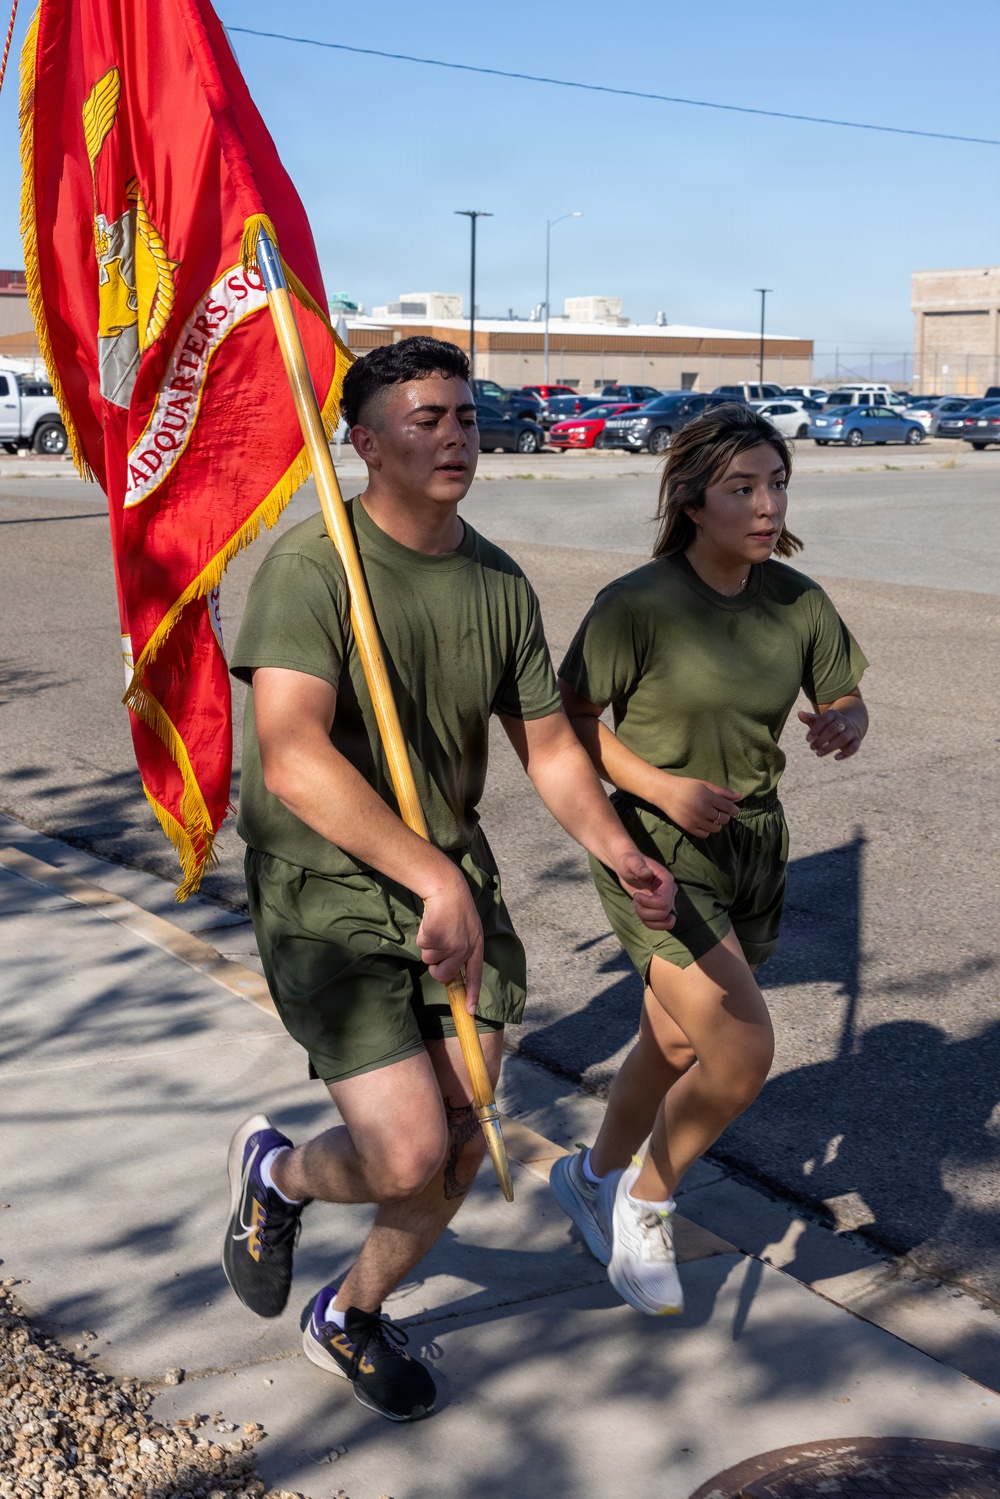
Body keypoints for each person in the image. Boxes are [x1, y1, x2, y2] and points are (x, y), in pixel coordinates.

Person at [221, 336, 677, 1421]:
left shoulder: (496, 578)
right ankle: (277, 1175)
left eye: (465, 416)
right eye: (424, 418)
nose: (455, 435)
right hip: (328, 889)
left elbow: (550, 747)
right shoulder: (312, 566)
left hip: (446, 879)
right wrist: (432, 875)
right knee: (405, 1151)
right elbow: (291, 754)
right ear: (365, 443)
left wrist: (619, 847)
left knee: (466, 1137)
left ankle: (350, 1312)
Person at [552, 403, 869, 1316]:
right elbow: (570, 722)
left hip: (755, 843)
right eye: (742, 488)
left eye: (777, 484)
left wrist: (845, 718)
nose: (767, 505)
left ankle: (589, 1176)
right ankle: (647, 1200)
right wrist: (660, 788)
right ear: (693, 501)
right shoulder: (637, 604)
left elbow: (842, 689)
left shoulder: (797, 600)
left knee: (677, 1039)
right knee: (740, 1051)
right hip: (658, 849)